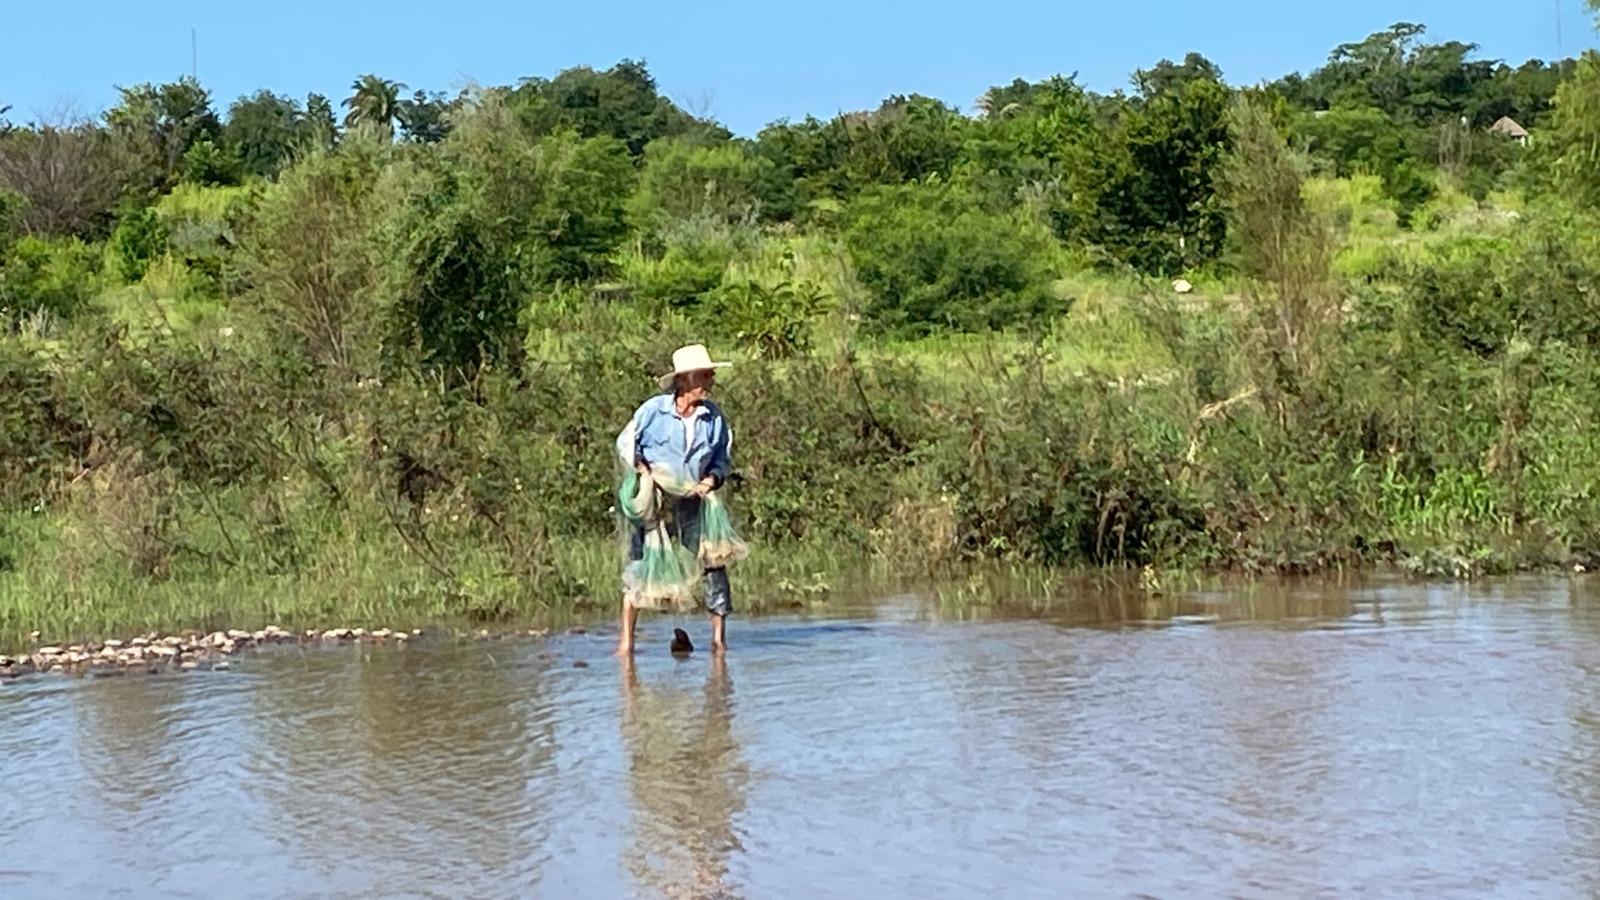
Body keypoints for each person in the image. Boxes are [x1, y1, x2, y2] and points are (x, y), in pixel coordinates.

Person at [614, 344, 735, 655]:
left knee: (714, 563)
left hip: (695, 496)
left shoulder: (714, 418)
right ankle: (626, 643)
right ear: (684, 381)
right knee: (642, 560)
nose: (710, 381)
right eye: (704, 375)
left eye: (710, 375)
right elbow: (627, 443)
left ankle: (719, 641)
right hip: (658, 497)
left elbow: (722, 457)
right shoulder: (653, 411)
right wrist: (643, 471)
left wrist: (710, 481)